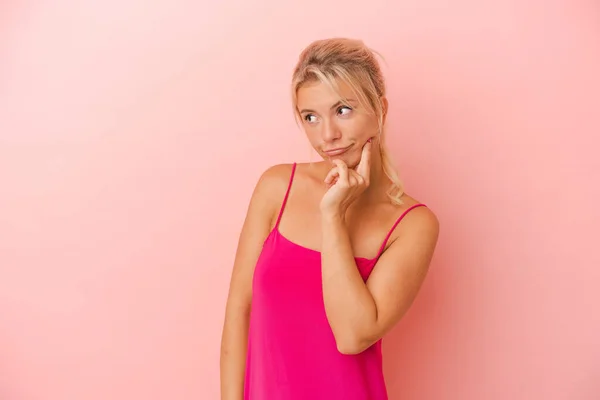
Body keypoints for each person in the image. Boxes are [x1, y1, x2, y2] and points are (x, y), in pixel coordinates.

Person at [220, 37, 440, 400]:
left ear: (380, 109)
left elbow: (352, 335)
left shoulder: (413, 225)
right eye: (311, 117)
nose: (328, 136)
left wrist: (333, 216)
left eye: (343, 110)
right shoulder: (278, 187)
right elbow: (238, 314)